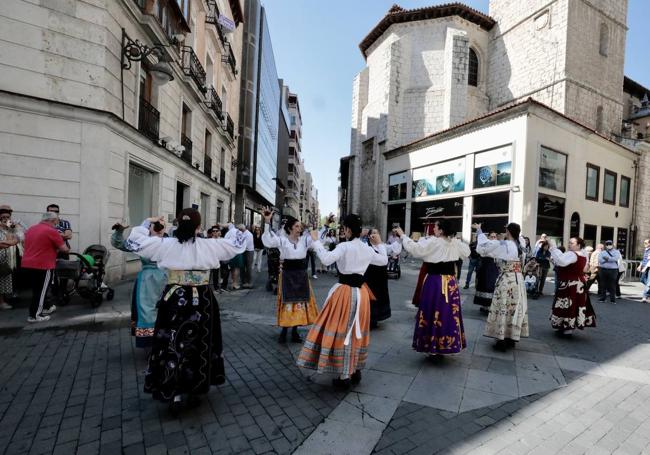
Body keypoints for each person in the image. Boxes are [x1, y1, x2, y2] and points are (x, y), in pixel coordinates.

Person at [125, 208, 245, 414]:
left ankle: (173, 390)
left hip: (174, 298)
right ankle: (194, 387)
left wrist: (146, 222)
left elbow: (133, 242)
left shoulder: (164, 244)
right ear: (199, 227)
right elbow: (238, 242)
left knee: (171, 342)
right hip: (202, 300)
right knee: (200, 343)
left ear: (178, 224)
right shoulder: (210, 245)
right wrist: (231, 227)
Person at [297, 214, 387, 389]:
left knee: (342, 331)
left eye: (344, 228)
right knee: (356, 331)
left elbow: (326, 259)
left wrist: (316, 241)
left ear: (348, 230)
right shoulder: (367, 248)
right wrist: (379, 244)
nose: (343, 231)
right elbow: (383, 260)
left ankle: (345, 375)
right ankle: (355, 369)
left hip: (344, 293)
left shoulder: (344, 246)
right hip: (361, 295)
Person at [396, 220, 470, 359]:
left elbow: (416, 250)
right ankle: (446, 344)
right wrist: (454, 241)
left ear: (441, 230)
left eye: (436, 227)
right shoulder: (454, 242)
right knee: (447, 313)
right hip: (450, 283)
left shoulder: (434, 242)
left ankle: (432, 346)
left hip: (435, 281)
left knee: (432, 311)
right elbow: (467, 252)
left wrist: (403, 236)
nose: (434, 229)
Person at [262, 209, 321, 343]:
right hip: (287, 275)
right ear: (289, 228)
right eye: (296, 226)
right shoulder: (282, 241)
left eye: (300, 226)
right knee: (287, 304)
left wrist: (325, 225)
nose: (299, 228)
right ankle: (284, 331)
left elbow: (318, 239)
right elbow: (268, 241)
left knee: (299, 304)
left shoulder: (305, 241)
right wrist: (267, 221)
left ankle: (295, 332)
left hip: (301, 276)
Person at [112, 218, 167, 348]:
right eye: (156, 226)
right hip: (148, 281)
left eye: (162, 226)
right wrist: (120, 231)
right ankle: (150, 342)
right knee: (147, 310)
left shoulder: (169, 242)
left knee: (165, 309)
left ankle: (164, 340)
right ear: (149, 229)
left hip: (166, 279)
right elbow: (119, 243)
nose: (159, 228)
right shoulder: (142, 243)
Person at [475, 222, 528, 351]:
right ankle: (511, 337)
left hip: (507, 280)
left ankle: (501, 339)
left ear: (508, 232)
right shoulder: (521, 244)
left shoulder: (506, 244)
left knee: (503, 307)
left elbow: (485, 246)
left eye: (506, 230)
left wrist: (479, 231)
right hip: (519, 281)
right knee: (514, 308)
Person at [21, 212, 70, 322]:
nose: (57, 223)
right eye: (57, 221)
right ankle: (35, 316)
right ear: (53, 220)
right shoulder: (52, 231)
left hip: (27, 264)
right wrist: (56, 249)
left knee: (36, 290)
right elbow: (64, 249)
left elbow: (24, 244)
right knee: (41, 291)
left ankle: (41, 310)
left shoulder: (31, 229)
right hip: (43, 265)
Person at [549, 237, 596, 335]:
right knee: (575, 304)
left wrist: (553, 247)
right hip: (578, 283)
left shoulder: (572, 254)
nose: (569, 244)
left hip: (569, 283)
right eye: (569, 242)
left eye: (572, 243)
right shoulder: (583, 254)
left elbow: (561, 261)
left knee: (567, 304)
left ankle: (566, 327)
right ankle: (567, 326)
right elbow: (583, 269)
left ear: (579, 245)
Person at [364, 228, 401, 329]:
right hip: (371, 277)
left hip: (381, 278)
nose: (376, 235)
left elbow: (396, 250)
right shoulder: (367, 247)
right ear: (369, 236)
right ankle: (369, 319)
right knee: (371, 297)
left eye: (377, 233)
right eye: (373, 233)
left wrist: (398, 237)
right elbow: (383, 260)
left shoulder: (382, 246)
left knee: (380, 296)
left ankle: (377, 318)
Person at [0, 206, 21, 310]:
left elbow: (15, 240)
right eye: (3, 217)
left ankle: (2, 301)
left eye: (7, 217)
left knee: (3, 280)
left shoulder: (9, 227)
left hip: (5, 258)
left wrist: (11, 227)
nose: (5, 219)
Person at [473, 231, 499, 312]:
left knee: (491, 285)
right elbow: (479, 251)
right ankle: (484, 305)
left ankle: (490, 306)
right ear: (488, 237)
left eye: (495, 237)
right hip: (483, 266)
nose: (493, 238)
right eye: (491, 236)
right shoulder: (485, 244)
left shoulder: (496, 244)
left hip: (492, 266)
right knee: (482, 284)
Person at [225, 223, 243, 290]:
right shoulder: (239, 232)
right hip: (238, 251)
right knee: (236, 268)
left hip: (231, 251)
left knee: (232, 268)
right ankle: (235, 283)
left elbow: (225, 241)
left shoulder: (228, 233)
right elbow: (242, 242)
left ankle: (233, 282)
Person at [638, 239, 650, 303]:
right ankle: (648, 289)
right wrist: (640, 265)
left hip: (648, 267)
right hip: (645, 267)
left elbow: (649, 261)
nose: (644, 244)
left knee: (648, 283)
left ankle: (645, 297)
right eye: (644, 243)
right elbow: (644, 259)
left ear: (649, 243)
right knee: (642, 280)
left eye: (645, 243)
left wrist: (645, 268)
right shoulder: (646, 250)